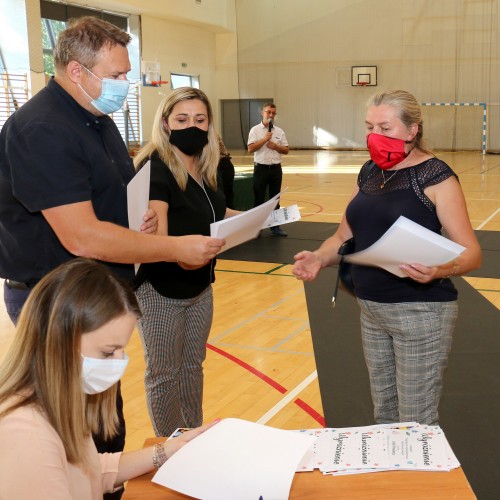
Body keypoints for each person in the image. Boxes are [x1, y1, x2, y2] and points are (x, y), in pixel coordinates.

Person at [0, 17, 223, 499]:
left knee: (103, 427)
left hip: (95, 296)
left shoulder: (96, 120)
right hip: (58, 303)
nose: (126, 85)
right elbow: (80, 236)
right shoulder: (43, 128)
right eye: (118, 75)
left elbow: (106, 203)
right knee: (67, 433)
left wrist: (133, 225)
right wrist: (172, 246)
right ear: (78, 72)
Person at [292, 90, 482, 426]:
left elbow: (471, 253)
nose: (375, 137)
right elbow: (342, 236)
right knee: (385, 416)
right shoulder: (369, 172)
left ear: (412, 131)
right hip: (372, 311)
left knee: (416, 422)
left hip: (420, 313)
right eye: (370, 127)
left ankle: (420, 479)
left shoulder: (435, 176)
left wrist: (441, 268)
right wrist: (319, 258)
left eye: (385, 128)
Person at [0, 258, 218, 499]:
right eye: (107, 352)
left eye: (121, 349)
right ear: (58, 343)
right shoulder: (26, 433)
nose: (119, 362)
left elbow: (88, 472)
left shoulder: (59, 399)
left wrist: (165, 451)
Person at [133, 87, 240, 437]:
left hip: (199, 287)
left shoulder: (207, 169)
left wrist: (265, 218)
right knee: (164, 374)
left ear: (209, 126)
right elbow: (160, 241)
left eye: (199, 119)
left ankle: (193, 438)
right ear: (165, 124)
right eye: (182, 119)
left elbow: (216, 214)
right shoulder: (156, 170)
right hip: (161, 290)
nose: (192, 126)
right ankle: (168, 449)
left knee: (193, 366)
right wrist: (186, 257)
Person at [248, 102, 289, 236]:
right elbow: (250, 149)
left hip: (276, 169)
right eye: (268, 112)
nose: (271, 115)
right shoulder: (255, 130)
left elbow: (286, 150)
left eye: (273, 113)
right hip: (261, 169)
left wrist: (276, 147)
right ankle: (256, 228)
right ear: (262, 113)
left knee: (275, 198)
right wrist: (264, 140)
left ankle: (275, 227)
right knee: (259, 199)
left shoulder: (280, 131)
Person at [217, 133, 236, 209]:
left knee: (225, 197)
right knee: (228, 196)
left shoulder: (208, 134)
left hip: (222, 164)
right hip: (226, 164)